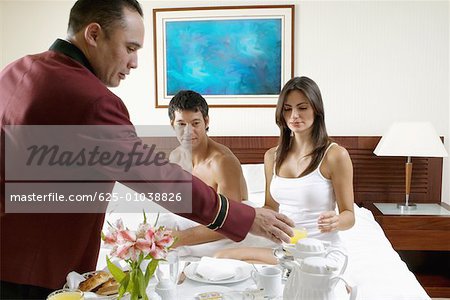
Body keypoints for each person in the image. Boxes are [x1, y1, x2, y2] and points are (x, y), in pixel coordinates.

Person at [0, 1, 294, 298]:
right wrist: (243, 216)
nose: (135, 62)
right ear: (93, 34)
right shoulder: (93, 101)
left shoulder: (13, 71)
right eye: (130, 48)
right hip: (34, 272)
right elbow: (160, 177)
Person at [215, 76, 355, 264]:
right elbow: (270, 208)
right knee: (221, 258)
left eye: (302, 108)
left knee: (296, 276)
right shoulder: (272, 157)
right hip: (286, 249)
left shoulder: (335, 155)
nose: (294, 115)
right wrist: (244, 214)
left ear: (316, 109)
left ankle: (326, 279)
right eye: (287, 109)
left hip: (321, 250)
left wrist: (336, 221)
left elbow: (349, 215)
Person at [164, 90, 248, 250]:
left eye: (195, 123)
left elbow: (231, 221)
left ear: (206, 122)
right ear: (172, 125)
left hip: (227, 236)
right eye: (181, 124)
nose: (188, 132)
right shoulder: (175, 157)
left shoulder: (222, 162)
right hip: (194, 228)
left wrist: (175, 239)